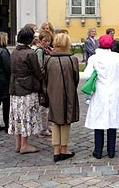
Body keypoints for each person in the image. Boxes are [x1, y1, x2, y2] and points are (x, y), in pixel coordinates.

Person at [84, 34, 119, 159]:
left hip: (100, 90)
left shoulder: (94, 58)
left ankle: (98, 150)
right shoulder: (117, 57)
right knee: (112, 119)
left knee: (99, 119)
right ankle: (111, 150)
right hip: (114, 89)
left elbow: (87, 75)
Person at [45, 33, 79, 162]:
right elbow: (75, 79)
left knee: (55, 120)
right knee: (66, 120)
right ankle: (64, 149)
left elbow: (45, 78)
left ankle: (56, 150)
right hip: (68, 92)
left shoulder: (48, 59)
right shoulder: (72, 60)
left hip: (53, 93)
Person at [8, 26, 42, 154]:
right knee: (26, 115)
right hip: (27, 87)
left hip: (14, 88)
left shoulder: (14, 52)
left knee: (17, 116)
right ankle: (24, 144)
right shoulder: (30, 53)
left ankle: (18, 143)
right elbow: (37, 72)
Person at [35, 31, 53, 137]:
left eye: (48, 41)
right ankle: (43, 128)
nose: (47, 43)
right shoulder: (39, 51)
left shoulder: (46, 50)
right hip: (43, 81)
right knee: (43, 105)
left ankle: (48, 125)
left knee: (48, 104)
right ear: (40, 41)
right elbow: (40, 66)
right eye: (45, 41)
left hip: (47, 80)